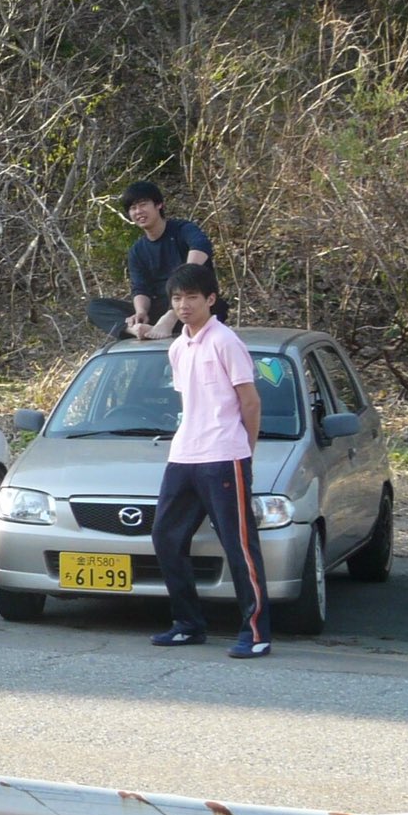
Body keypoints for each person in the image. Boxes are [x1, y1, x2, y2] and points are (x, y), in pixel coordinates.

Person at [149, 262, 270, 659]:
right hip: (184, 454)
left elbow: (249, 402)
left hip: (225, 455)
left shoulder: (225, 341)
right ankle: (187, 624)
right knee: (166, 537)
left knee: (239, 545)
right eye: (177, 298)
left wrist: (244, 451)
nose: (184, 305)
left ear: (211, 300)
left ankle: (255, 632)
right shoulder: (177, 346)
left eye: (192, 298)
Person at [121, 181, 218, 340]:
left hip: (193, 304)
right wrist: (141, 312)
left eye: (143, 205)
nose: (138, 212)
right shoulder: (137, 251)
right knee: (97, 307)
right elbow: (140, 288)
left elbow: (201, 245)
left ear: (159, 204)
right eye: (132, 208)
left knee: (189, 289)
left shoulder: (183, 229)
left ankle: (168, 320)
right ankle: (136, 329)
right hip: (158, 309)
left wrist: (185, 278)